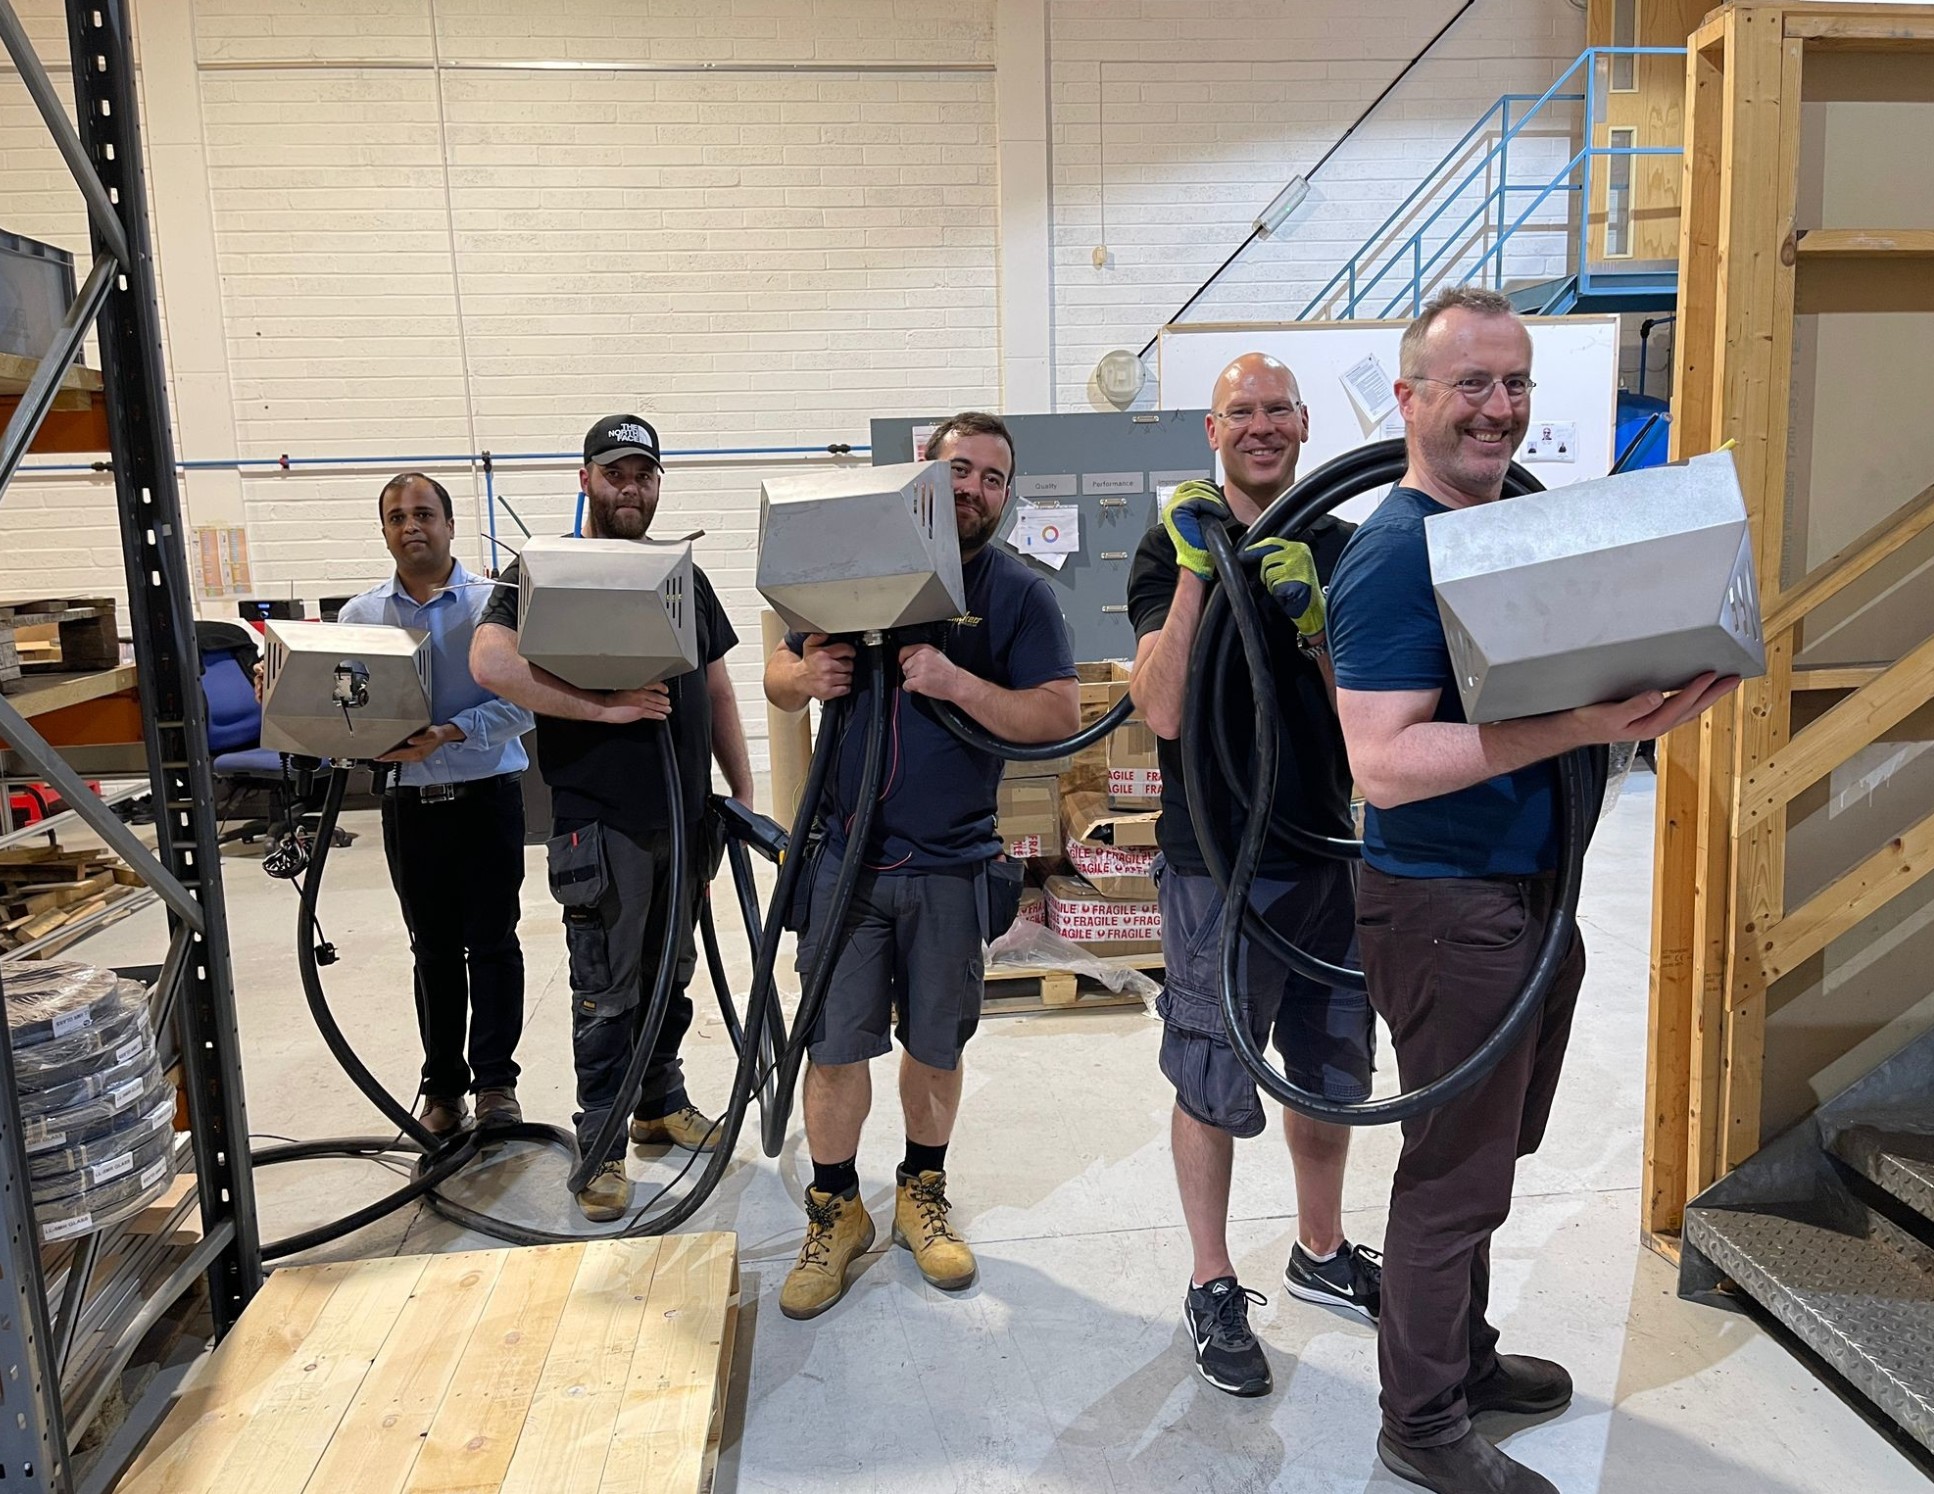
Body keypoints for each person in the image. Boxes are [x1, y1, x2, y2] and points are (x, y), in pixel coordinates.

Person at [1325, 285, 1737, 1494]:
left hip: (1525, 897)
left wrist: (1649, 700)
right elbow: (1384, 766)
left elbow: (1571, 694)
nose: (1496, 409)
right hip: (1448, 911)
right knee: (1451, 1175)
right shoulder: (1397, 556)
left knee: (1495, 1153)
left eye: (1512, 385)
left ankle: (1460, 1356)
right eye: (1469, 385)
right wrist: (1576, 724)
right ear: (1407, 400)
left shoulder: (1511, 527)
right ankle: (1420, 1424)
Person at [762, 411, 1079, 1320]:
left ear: (1006, 496)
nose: (975, 488)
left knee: (935, 1045)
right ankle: (836, 1211)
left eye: (992, 477)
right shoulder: (856, 564)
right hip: (845, 862)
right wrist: (805, 679)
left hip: (950, 865)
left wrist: (954, 684)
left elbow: (1057, 715)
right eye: (960, 471)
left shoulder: (1019, 594)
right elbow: (779, 675)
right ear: (925, 478)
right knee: (833, 1047)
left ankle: (920, 1193)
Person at [1125, 354, 1380, 1399]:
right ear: (1210, 428)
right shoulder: (1168, 543)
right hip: (1214, 866)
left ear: (1305, 423)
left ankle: (1318, 1250)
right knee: (1212, 1075)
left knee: (1327, 1073)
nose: (1260, 426)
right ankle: (1211, 1278)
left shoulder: (1345, 546)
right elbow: (1161, 709)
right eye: (1242, 412)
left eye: (1277, 410)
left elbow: (1370, 721)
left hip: (1326, 852)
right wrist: (1198, 571)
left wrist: (1319, 625)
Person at [471, 415, 754, 1223]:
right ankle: (599, 1148)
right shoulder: (548, 570)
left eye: (645, 474)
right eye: (616, 473)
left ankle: (659, 1104)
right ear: (586, 479)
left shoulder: (683, 576)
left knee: (674, 974)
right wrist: (599, 710)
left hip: (686, 818)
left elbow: (721, 690)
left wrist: (740, 793)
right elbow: (490, 663)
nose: (631, 488)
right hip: (604, 824)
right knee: (608, 989)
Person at [336, 472, 534, 1138]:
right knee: (434, 951)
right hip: (410, 807)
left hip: (487, 798)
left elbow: (528, 702)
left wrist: (450, 732)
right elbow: (347, 715)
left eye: (423, 513)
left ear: (451, 525)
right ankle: (443, 1089)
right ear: (385, 531)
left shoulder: (496, 605)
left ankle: (497, 1085)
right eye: (396, 517)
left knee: (495, 943)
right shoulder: (359, 618)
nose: (410, 526)